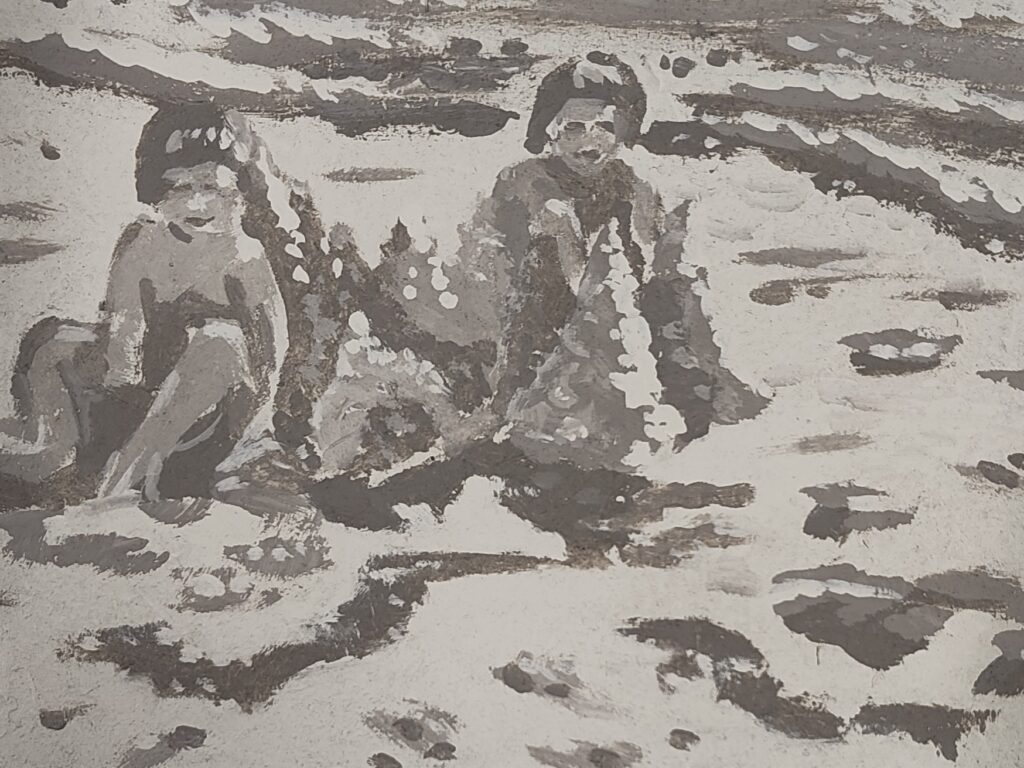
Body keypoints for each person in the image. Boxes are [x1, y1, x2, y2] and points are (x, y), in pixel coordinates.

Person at [0, 104, 347, 510]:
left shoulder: (244, 259)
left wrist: (252, 444)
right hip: (143, 396)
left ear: (239, 190)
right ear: (156, 194)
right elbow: (122, 350)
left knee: (219, 342)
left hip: (212, 421)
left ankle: (121, 481)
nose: (196, 204)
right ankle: (56, 453)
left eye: (210, 186)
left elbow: (269, 365)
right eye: (178, 188)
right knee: (55, 339)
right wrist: (103, 374)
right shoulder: (142, 243)